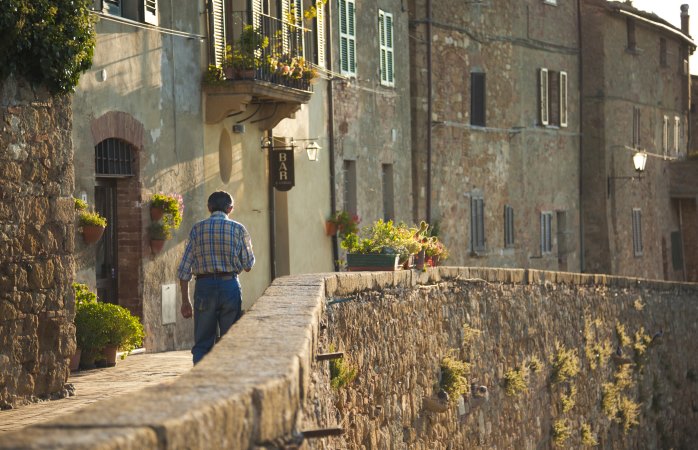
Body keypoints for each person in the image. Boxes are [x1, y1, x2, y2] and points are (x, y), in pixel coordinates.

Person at [177, 191, 255, 364]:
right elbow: (248, 264)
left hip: (204, 287)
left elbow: (184, 269)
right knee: (230, 341)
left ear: (209, 207)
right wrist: (232, 269)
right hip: (230, 286)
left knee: (203, 342)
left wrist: (185, 300)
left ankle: (200, 379)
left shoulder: (197, 229)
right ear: (230, 208)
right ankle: (227, 379)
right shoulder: (239, 229)